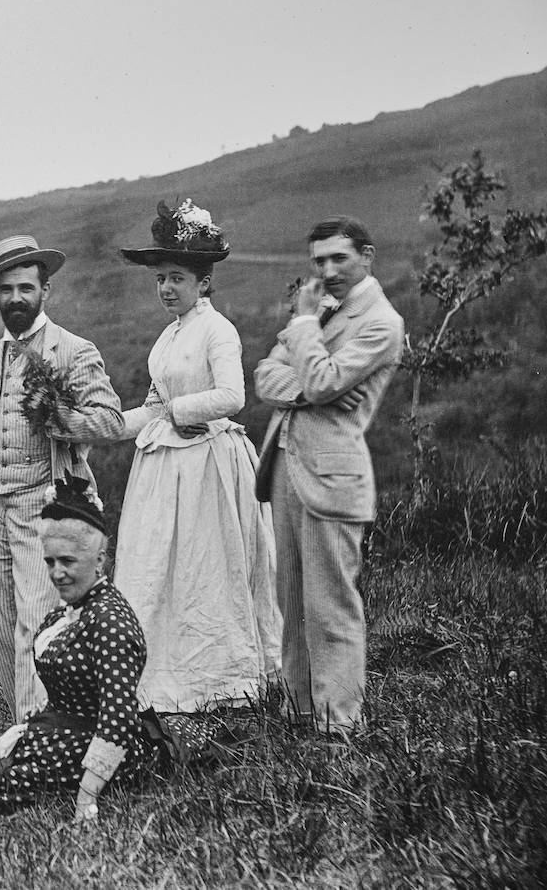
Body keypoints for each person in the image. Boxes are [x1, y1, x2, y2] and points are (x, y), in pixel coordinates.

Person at [0, 235, 124, 722]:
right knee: (1, 628)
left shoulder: (73, 350)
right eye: (6, 290)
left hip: (46, 507)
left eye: (26, 288)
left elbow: (110, 420)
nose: (16, 298)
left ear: (46, 290)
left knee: (38, 627)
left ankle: (42, 734)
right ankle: (21, 726)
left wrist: (58, 416)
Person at [112, 199, 281, 713]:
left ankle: (221, 684)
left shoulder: (217, 329)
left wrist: (176, 411)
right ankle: (162, 683)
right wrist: (102, 425)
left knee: (206, 569)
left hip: (208, 464)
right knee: (160, 570)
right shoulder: (168, 336)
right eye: (161, 279)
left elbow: (232, 396)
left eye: (178, 279)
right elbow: (152, 407)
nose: (167, 288)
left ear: (203, 283)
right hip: (167, 467)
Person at [0, 479, 156, 824]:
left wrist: (88, 795)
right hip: (60, 737)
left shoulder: (110, 622)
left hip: (95, 750)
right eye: (49, 562)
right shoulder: (70, 611)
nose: (57, 573)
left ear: (99, 560)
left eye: (68, 561)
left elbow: (118, 721)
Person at [253, 216, 404, 737]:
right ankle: (299, 711)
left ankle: (339, 723)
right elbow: (266, 376)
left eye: (340, 257)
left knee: (330, 606)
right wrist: (312, 380)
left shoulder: (381, 322)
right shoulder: (323, 311)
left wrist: (303, 332)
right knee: (291, 600)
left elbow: (321, 382)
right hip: (285, 466)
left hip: (333, 476)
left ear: (368, 255)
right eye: (319, 260)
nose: (328, 269)